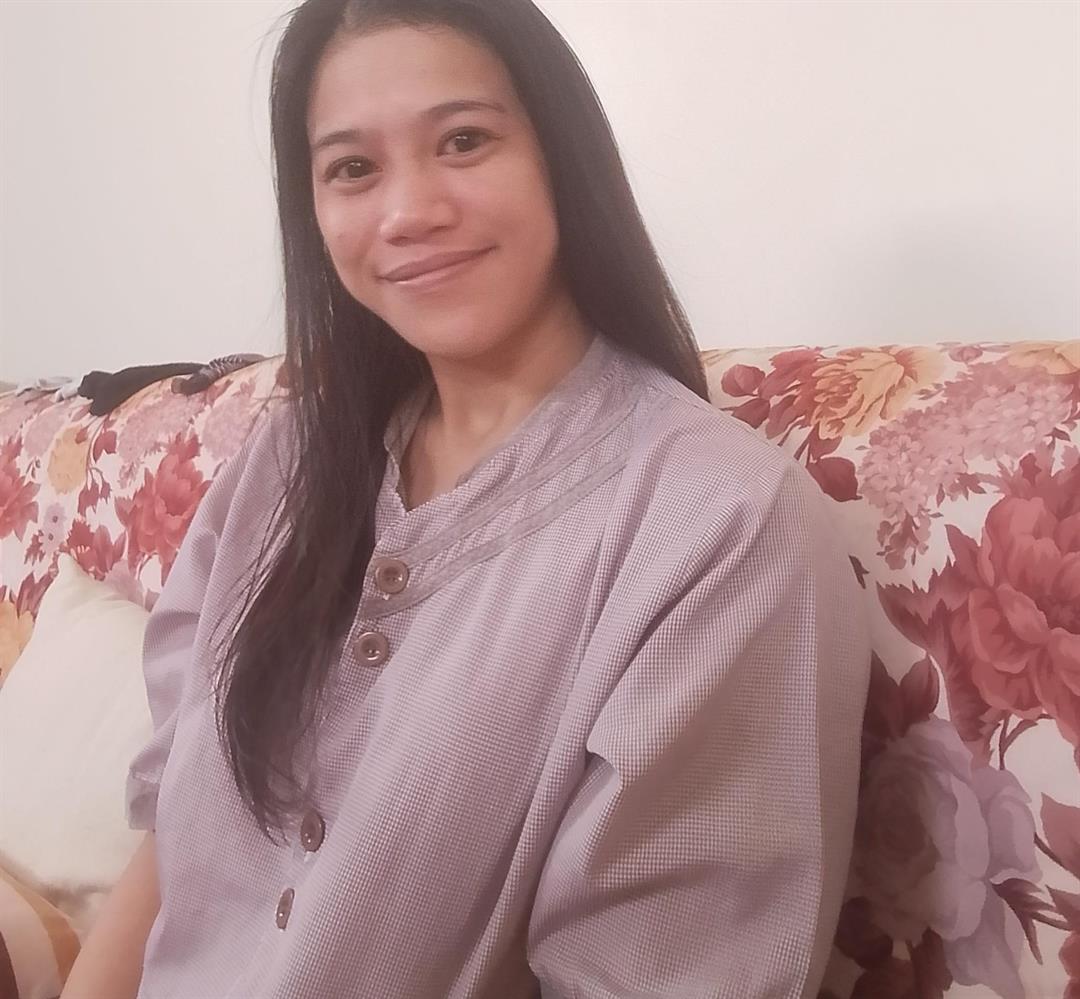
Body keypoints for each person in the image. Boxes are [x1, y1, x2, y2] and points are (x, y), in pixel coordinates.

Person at [61, 0, 870, 996]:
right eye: (352, 167)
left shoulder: (720, 525)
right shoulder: (285, 460)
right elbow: (172, 844)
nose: (408, 211)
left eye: (464, 141)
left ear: (560, 155)